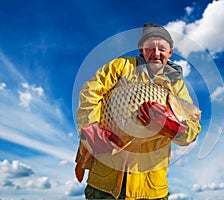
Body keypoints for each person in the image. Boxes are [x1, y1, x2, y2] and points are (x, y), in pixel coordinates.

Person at [75, 23, 201, 200]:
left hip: (151, 190)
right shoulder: (120, 66)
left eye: (162, 48)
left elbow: (193, 129)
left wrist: (175, 129)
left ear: (170, 52)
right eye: (150, 47)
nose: (156, 53)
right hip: (104, 185)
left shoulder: (176, 85)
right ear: (141, 49)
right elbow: (90, 91)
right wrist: (91, 127)